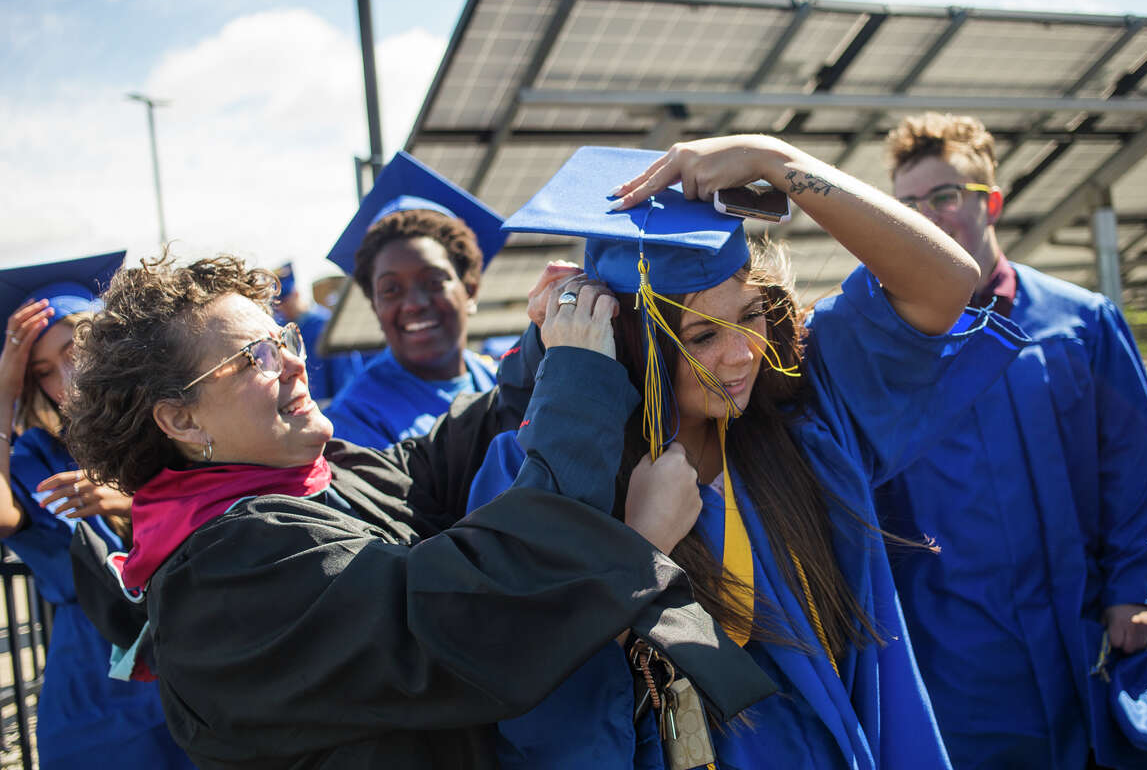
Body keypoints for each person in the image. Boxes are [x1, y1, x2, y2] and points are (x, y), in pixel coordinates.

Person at [62, 253, 775, 769]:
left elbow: (433, 465)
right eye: (254, 358)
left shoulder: (315, 477)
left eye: (284, 339)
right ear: (181, 422)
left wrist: (546, 349)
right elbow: (474, 609)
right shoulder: (225, 575)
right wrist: (583, 387)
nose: (293, 363)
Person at [466, 138, 1030, 769]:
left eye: (752, 315)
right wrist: (639, 545)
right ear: (629, 338)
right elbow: (532, 692)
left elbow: (949, 280)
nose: (742, 356)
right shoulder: (539, 473)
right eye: (703, 335)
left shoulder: (803, 420)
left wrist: (776, 161)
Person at [875, 112, 1147, 769]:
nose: (926, 217)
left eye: (945, 197)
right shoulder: (883, 350)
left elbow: (1137, 466)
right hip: (959, 649)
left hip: (1089, 627)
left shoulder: (1080, 324)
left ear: (992, 202)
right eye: (907, 205)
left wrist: (1137, 585)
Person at [0, 252, 193, 769]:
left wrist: (135, 502)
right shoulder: (36, 457)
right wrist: (3, 391)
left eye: (75, 351)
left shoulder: (173, 426)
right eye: (42, 371)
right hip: (95, 688)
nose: (66, 378)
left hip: (194, 657)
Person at [322, 151, 509, 447]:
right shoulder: (356, 421)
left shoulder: (503, 380)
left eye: (433, 282)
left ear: (470, 290)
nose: (413, 304)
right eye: (391, 290)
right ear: (374, 306)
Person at [271, 261, 365, 402]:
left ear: (296, 294)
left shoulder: (326, 325)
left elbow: (346, 378)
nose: (282, 309)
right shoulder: (284, 332)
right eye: (277, 305)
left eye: (285, 302)